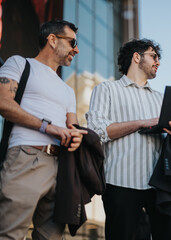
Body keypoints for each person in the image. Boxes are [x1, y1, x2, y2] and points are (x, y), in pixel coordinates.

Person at [86, 38, 171, 240]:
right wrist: (141, 123)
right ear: (137, 57)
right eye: (154, 56)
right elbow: (97, 131)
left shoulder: (162, 99)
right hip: (120, 184)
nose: (158, 62)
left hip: (161, 188)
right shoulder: (107, 89)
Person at [0, 20, 87, 239]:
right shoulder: (20, 64)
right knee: (10, 234)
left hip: (62, 170)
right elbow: (3, 102)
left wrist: (75, 137)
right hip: (27, 157)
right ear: (52, 39)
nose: (76, 49)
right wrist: (48, 127)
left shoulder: (68, 90)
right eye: (72, 42)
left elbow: (72, 126)